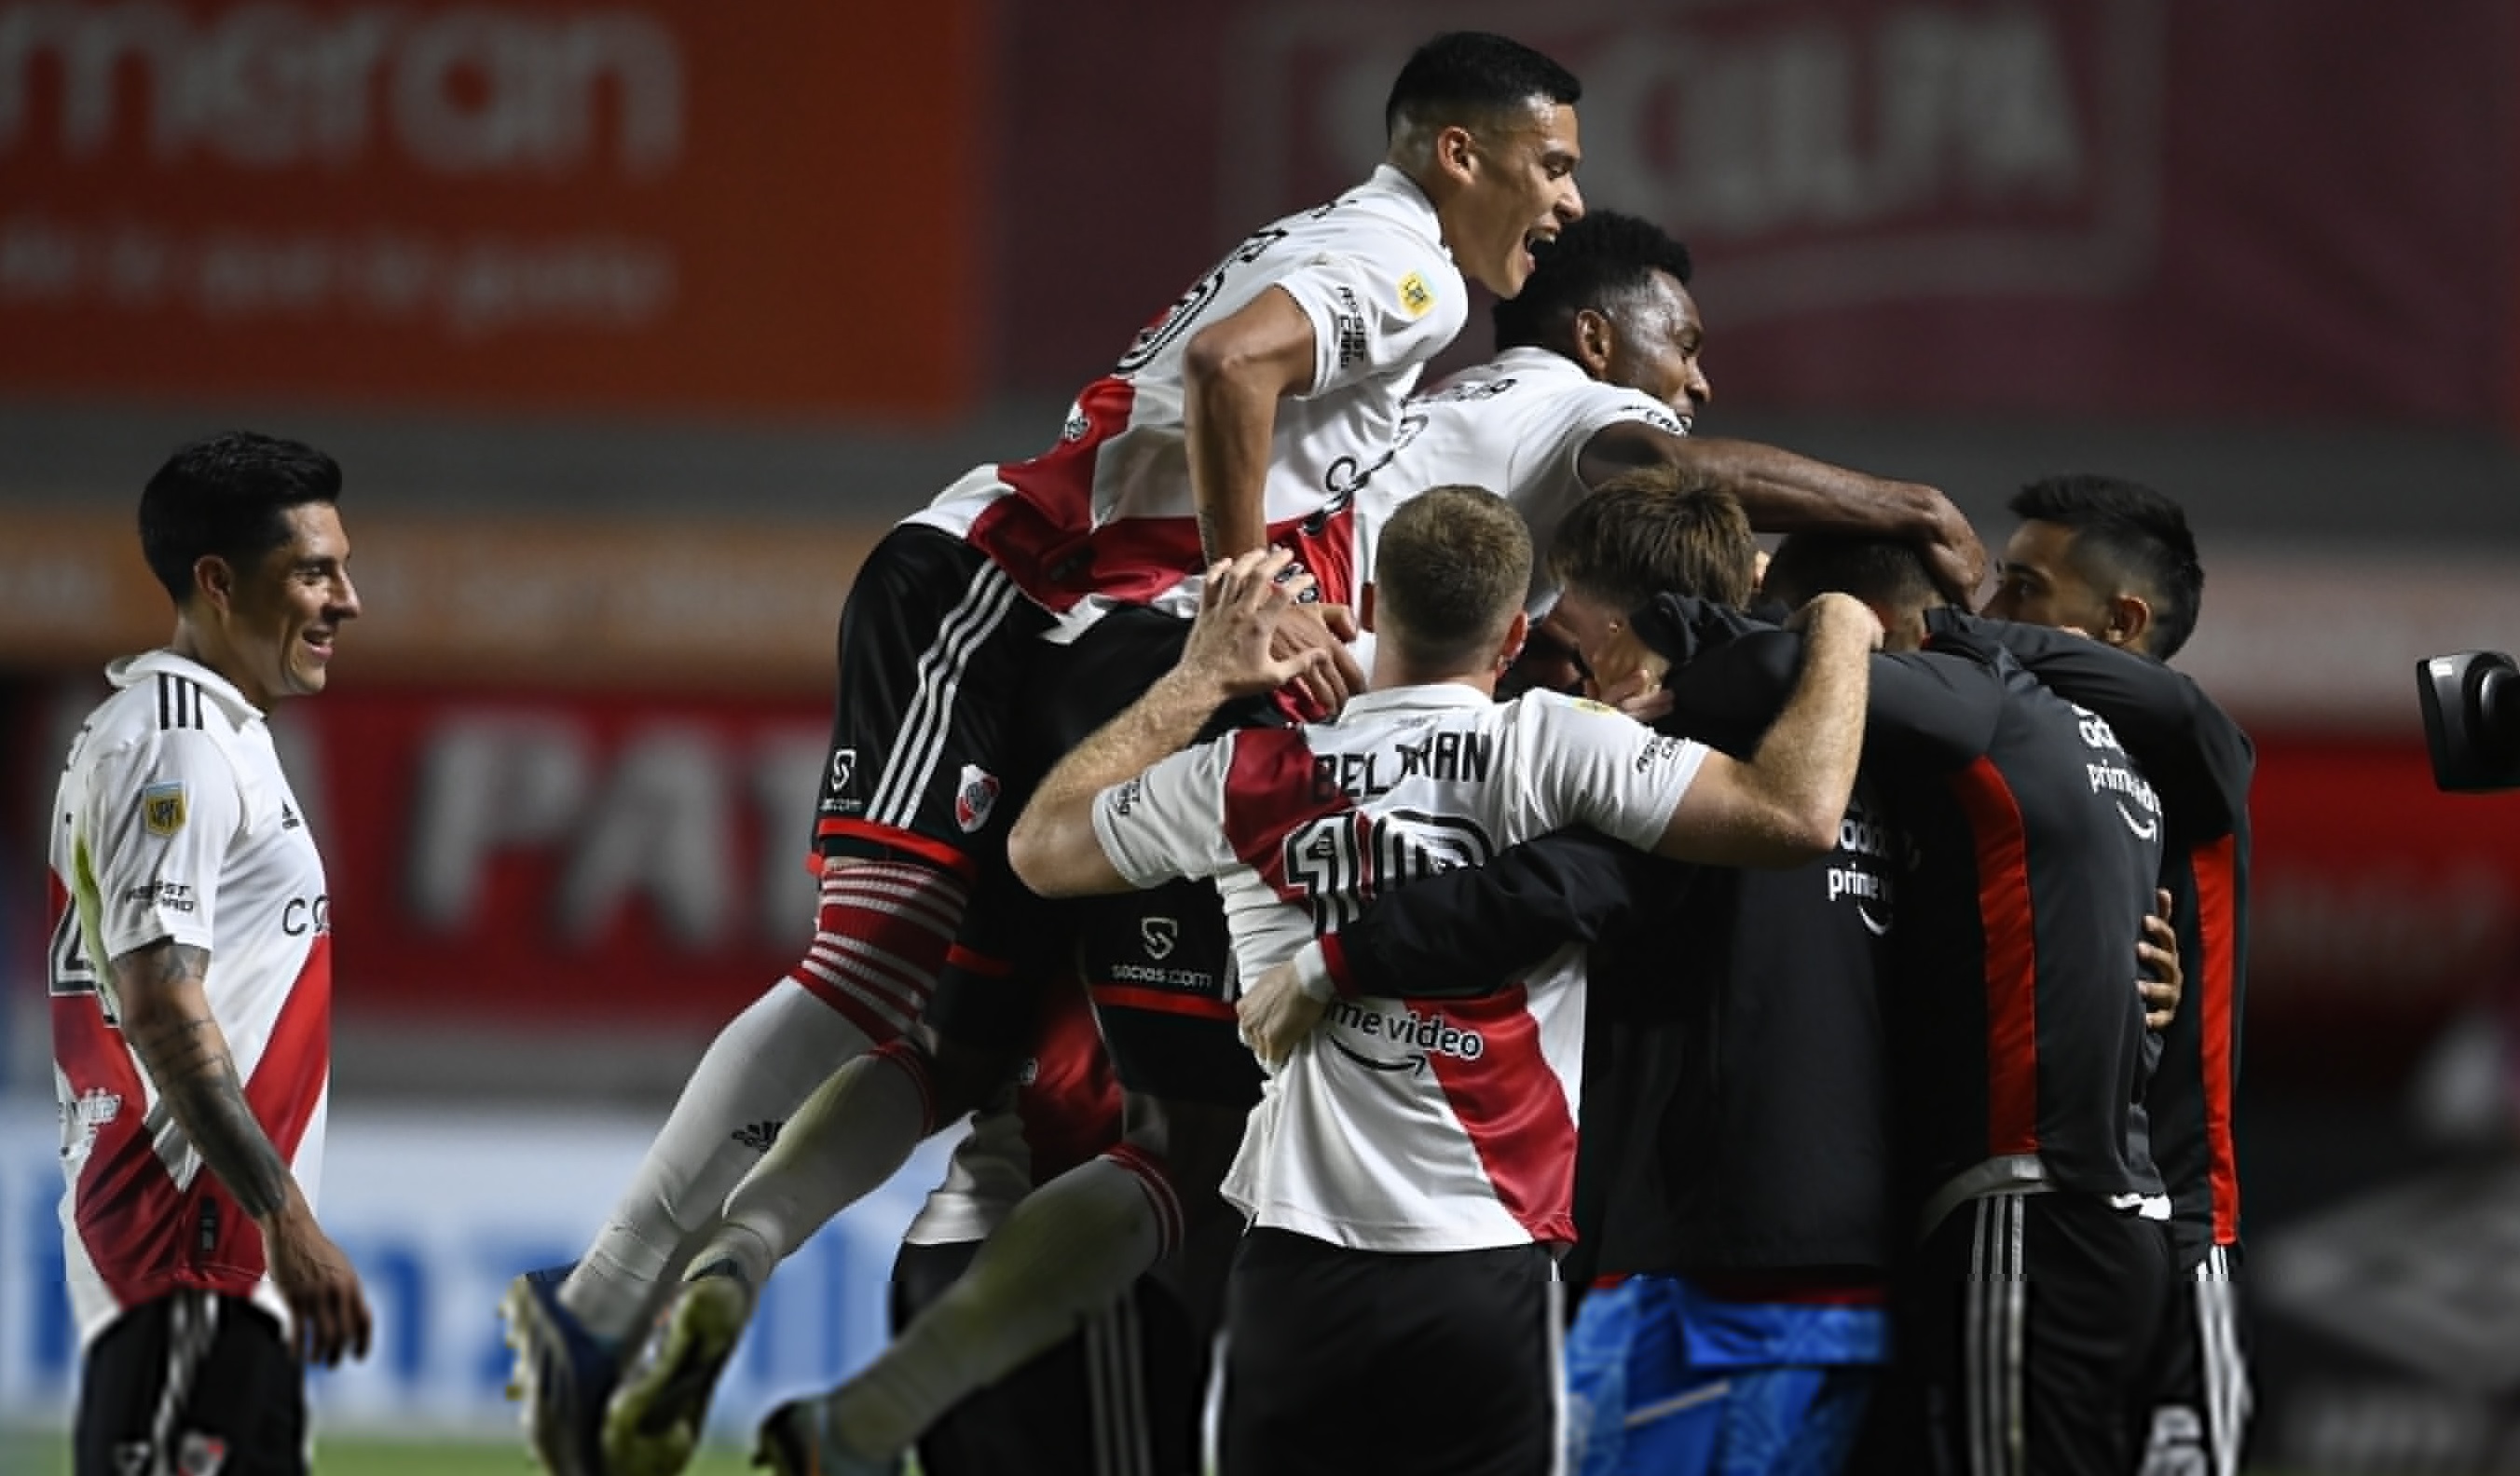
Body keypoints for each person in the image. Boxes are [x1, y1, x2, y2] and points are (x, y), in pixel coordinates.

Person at [585, 31, 1592, 1476]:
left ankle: (715, 1269)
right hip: (1115, 631)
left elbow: (1224, 381)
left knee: (937, 1032)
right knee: (1158, 1118)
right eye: (1550, 163)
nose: (1559, 200)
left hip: (1075, 651)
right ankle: (651, 1310)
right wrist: (1250, 597)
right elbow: (1239, 367)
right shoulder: (1413, 276)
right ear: (1460, 152)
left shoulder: (1329, 264)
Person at [1238, 474, 2188, 1476]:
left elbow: (1554, 890)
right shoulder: (1884, 761)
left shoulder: (1689, 763)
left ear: (1634, 621)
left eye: (1574, 622)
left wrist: (1330, 960)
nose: (1563, 648)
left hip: (1716, 1277)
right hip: (1853, 1269)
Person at [988, 485, 1878, 1476]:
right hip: (1485, 1262)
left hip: (1299, 1262)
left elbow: (1037, 847)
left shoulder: (1245, 772)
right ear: (1511, 632)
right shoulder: (1558, 742)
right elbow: (1797, 816)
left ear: (1368, 607)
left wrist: (1197, 679)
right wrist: (1841, 625)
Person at [48, 430, 374, 1476]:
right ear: (219, 582)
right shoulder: (175, 739)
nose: (345, 600)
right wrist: (285, 1215)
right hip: (187, 1259)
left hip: (209, 1275)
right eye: (313, 571)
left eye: (343, 568)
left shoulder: (217, 733)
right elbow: (157, 999)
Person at [1979, 473, 2253, 1476]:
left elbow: (2171, 708)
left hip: (2185, 1224)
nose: (1990, 613)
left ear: (2122, 618)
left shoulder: (2193, 740)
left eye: (2020, 587)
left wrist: (1892, 626)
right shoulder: (2035, 755)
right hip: (2083, 1212)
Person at [1385, 208, 1983, 617]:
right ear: (1595, 342)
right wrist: (1919, 510)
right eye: (1684, 348)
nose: (1701, 384)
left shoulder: (1455, 393)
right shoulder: (1581, 402)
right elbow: (1677, 466)